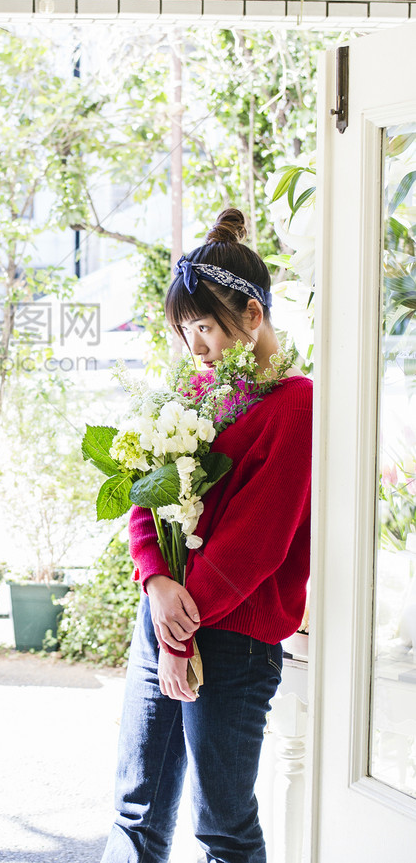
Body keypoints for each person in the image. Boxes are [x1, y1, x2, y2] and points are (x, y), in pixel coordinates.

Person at [101, 207, 312, 863]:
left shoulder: (295, 403)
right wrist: (155, 579)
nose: (194, 346)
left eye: (203, 327)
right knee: (136, 812)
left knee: (222, 827)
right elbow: (144, 482)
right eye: (184, 329)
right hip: (165, 614)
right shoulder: (198, 388)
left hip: (233, 636)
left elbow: (256, 544)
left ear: (253, 315)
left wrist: (179, 632)